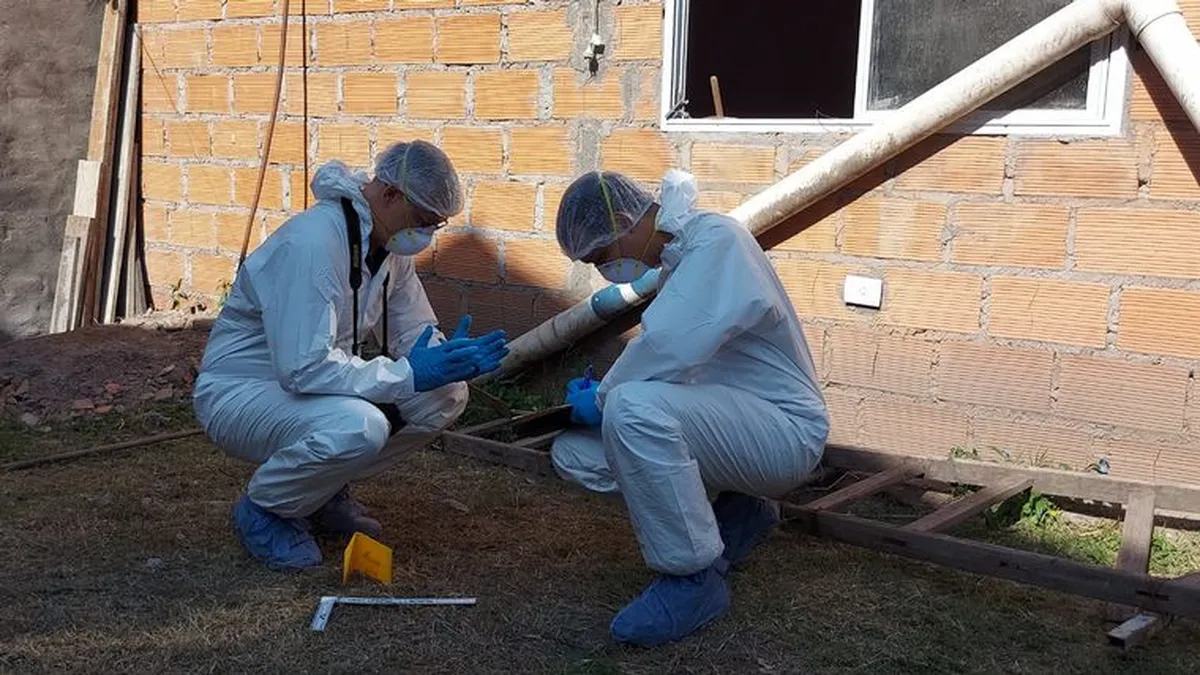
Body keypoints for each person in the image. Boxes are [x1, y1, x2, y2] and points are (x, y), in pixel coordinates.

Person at [193, 140, 508, 571]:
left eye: (435, 226)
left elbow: (412, 328)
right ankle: (266, 509)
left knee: (446, 395)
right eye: (423, 222)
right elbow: (303, 368)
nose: (426, 235)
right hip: (242, 394)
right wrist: (408, 375)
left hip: (307, 388)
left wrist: (447, 356)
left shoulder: (387, 247)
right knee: (361, 426)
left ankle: (319, 489)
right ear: (390, 194)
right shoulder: (315, 244)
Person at [549, 169, 829, 646]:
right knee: (574, 453)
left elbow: (670, 346)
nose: (603, 270)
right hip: (745, 426)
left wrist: (601, 400)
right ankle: (743, 509)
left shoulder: (716, 242)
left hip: (785, 432)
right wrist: (602, 403)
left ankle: (692, 580)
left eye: (601, 255)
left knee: (632, 410)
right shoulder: (682, 256)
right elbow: (680, 357)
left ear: (625, 221)